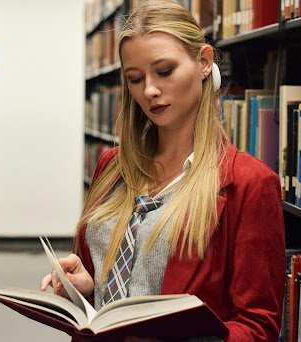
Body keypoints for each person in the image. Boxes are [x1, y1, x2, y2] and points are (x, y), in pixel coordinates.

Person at [40, 0, 286, 341]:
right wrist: (84, 288)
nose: (150, 90)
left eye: (165, 71)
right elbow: (103, 294)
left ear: (203, 62)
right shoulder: (111, 166)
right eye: (135, 78)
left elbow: (258, 327)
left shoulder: (250, 184)